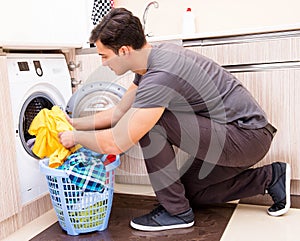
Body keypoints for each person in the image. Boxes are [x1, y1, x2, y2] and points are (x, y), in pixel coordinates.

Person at [59, 7, 291, 232]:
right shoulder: (151, 62)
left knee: (152, 123)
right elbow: (118, 113)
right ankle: (271, 177)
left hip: (246, 137)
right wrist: (72, 123)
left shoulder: (160, 76)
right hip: (236, 136)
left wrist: (73, 138)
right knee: (188, 193)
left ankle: (177, 214)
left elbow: (116, 142)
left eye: (104, 56)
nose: (103, 63)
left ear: (124, 50)